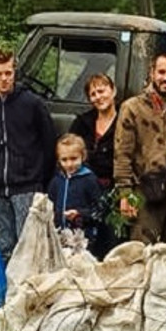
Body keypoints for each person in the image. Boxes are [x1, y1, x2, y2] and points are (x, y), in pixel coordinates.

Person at [0, 49, 56, 260]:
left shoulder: (33, 104)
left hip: (27, 186)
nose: (4, 79)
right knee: (4, 249)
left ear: (14, 73)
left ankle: (30, 291)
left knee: (30, 248)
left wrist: (40, 182)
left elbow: (48, 143)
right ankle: (9, 292)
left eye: (8, 73)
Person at [112, 51, 166, 244]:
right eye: (161, 72)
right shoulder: (133, 108)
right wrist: (125, 194)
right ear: (152, 73)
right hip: (145, 192)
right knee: (140, 253)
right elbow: (122, 154)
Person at [67, 73, 122, 257]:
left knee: (112, 246)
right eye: (93, 94)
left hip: (115, 193)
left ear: (113, 91)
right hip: (85, 192)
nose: (98, 97)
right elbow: (67, 152)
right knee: (84, 247)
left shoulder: (125, 120)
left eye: (102, 91)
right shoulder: (82, 123)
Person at [50, 133, 107, 255]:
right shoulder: (56, 180)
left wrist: (80, 214)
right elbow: (51, 203)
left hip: (84, 237)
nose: (69, 164)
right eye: (64, 160)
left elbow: (100, 209)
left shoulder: (89, 179)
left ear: (83, 156)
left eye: (74, 158)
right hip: (60, 235)